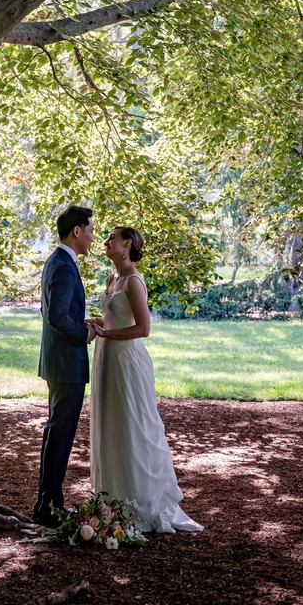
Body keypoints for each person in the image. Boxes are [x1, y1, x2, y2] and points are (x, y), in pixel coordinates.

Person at [89, 226, 203, 534]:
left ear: (126, 244)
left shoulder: (134, 280)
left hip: (127, 361)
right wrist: (98, 323)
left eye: (112, 238)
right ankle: (112, 498)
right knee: (111, 425)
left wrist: (106, 332)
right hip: (107, 358)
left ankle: (141, 500)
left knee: (132, 425)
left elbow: (143, 328)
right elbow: (116, 318)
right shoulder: (111, 278)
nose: (105, 241)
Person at [32, 204, 96, 527]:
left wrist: (79, 322)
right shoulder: (64, 266)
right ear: (77, 231)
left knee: (54, 433)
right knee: (59, 435)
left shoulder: (58, 262)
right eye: (91, 230)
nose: (93, 237)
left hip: (59, 362)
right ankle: (50, 506)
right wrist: (84, 332)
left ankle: (46, 501)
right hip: (66, 364)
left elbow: (57, 312)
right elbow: (56, 317)